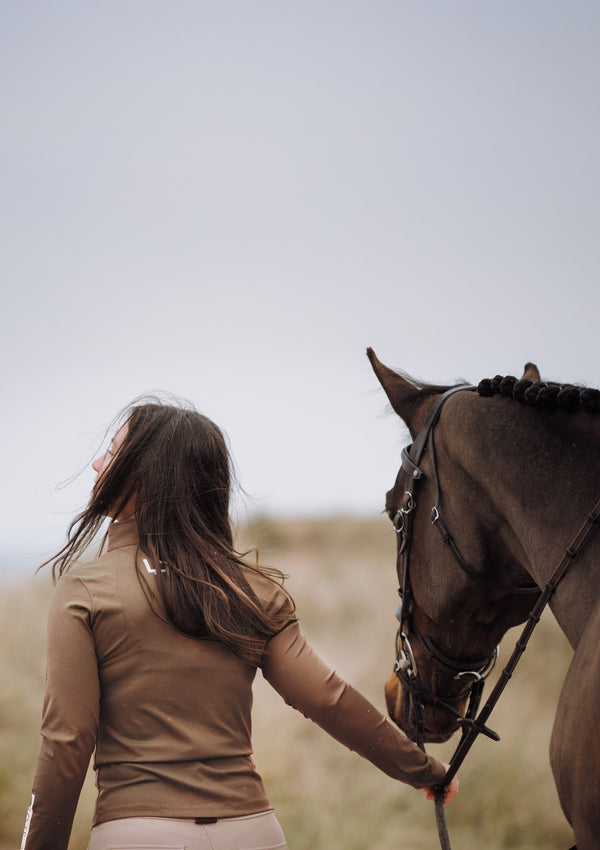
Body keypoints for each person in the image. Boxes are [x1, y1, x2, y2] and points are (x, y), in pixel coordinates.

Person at [22, 399, 458, 850]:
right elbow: (328, 699)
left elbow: (67, 743)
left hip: (137, 834)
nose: (97, 464)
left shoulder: (86, 591)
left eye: (112, 453)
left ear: (144, 474)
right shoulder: (249, 589)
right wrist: (423, 769)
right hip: (255, 833)